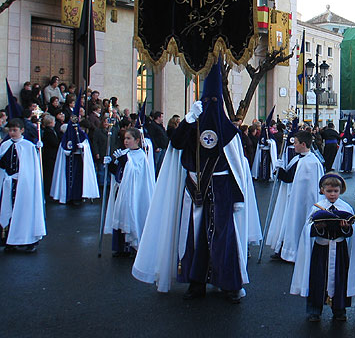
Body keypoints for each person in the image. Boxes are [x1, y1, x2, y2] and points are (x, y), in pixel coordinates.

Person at [132, 62, 261, 301]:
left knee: (224, 238)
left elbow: (236, 166)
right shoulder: (192, 124)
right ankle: (196, 282)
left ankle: (229, 284)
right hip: (194, 189)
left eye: (214, 102)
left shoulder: (229, 132)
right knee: (193, 237)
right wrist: (188, 120)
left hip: (221, 190)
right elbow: (177, 144)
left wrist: (237, 196)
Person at [290, 173, 355, 322]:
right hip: (321, 249)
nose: (332, 194)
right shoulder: (317, 207)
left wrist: (345, 227)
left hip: (339, 249)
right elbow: (308, 230)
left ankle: (339, 310)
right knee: (317, 279)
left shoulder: (346, 207)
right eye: (329, 191)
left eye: (335, 191)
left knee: (340, 279)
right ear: (322, 190)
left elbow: (351, 233)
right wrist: (318, 227)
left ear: (341, 190)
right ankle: (314, 309)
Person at [267, 130, 324, 262]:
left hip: (302, 202)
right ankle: (284, 249)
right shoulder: (297, 159)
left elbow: (307, 186)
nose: (294, 146)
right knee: (288, 224)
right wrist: (279, 169)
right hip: (292, 199)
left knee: (296, 223)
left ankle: (296, 252)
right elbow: (289, 178)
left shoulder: (312, 163)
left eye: (296, 143)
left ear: (303, 144)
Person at [103, 127, 155, 257]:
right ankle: (120, 247)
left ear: (137, 140)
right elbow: (118, 173)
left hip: (133, 193)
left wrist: (124, 161)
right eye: (125, 138)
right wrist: (110, 165)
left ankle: (132, 246)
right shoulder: (124, 153)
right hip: (121, 192)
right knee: (120, 215)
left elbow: (136, 174)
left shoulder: (141, 156)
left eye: (129, 138)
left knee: (131, 215)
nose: (126, 141)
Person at [0, 118, 46, 252]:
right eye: (10, 130)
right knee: (10, 210)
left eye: (15, 130)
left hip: (24, 185)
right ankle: (10, 240)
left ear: (22, 130)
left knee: (25, 211)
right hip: (9, 183)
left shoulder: (28, 146)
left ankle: (28, 240)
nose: (12, 133)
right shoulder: (5, 145)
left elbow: (31, 169)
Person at [50, 93, 100, 205]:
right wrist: (66, 150)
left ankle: (78, 196)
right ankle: (67, 195)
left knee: (78, 179)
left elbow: (87, 144)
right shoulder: (67, 134)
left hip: (79, 160)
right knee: (67, 179)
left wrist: (83, 147)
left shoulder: (81, 134)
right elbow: (62, 145)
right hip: (68, 160)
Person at [251, 108, 277, 182]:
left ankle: (266, 176)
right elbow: (260, 142)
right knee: (262, 164)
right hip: (262, 151)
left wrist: (270, 143)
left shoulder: (270, 134)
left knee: (266, 164)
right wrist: (260, 145)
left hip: (268, 152)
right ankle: (262, 175)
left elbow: (273, 142)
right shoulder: (262, 134)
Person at [41, 114, 59, 198]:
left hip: (51, 155)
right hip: (50, 155)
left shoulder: (51, 131)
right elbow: (54, 143)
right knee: (49, 173)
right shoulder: (49, 132)